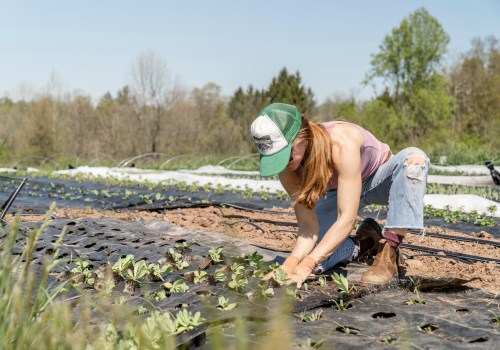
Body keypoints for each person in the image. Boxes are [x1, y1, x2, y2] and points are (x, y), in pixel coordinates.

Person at [250, 103, 429, 287]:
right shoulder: (288, 168)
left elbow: (346, 218)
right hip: (338, 191)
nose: (284, 164)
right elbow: (308, 227)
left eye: (285, 155)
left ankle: (389, 252)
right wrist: (291, 264)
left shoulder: (340, 141)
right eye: (275, 159)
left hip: (378, 179)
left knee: (414, 160)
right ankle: (364, 242)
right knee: (317, 257)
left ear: (301, 137)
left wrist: (305, 266)